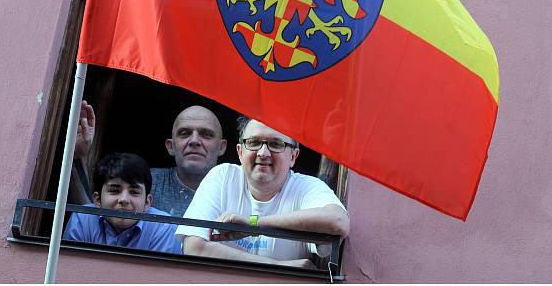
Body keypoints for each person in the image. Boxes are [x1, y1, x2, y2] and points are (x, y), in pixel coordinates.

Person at [175, 117, 349, 268]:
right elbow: (194, 247)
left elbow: (339, 221)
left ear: (293, 157)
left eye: (275, 144)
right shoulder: (223, 176)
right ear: (240, 152)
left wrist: (254, 224)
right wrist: (277, 267)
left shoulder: (306, 187)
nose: (263, 153)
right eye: (254, 142)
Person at [71, 102, 227, 216]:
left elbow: (251, 229)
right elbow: (93, 222)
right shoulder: (145, 181)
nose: (194, 141)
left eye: (206, 134)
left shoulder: (239, 190)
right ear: (170, 146)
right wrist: (78, 156)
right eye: (184, 133)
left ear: (222, 147)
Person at [63, 152, 182, 254]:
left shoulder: (164, 227)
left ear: (147, 202)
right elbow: (70, 269)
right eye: (115, 191)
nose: (124, 199)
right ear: (97, 199)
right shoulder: (82, 218)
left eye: (134, 192)